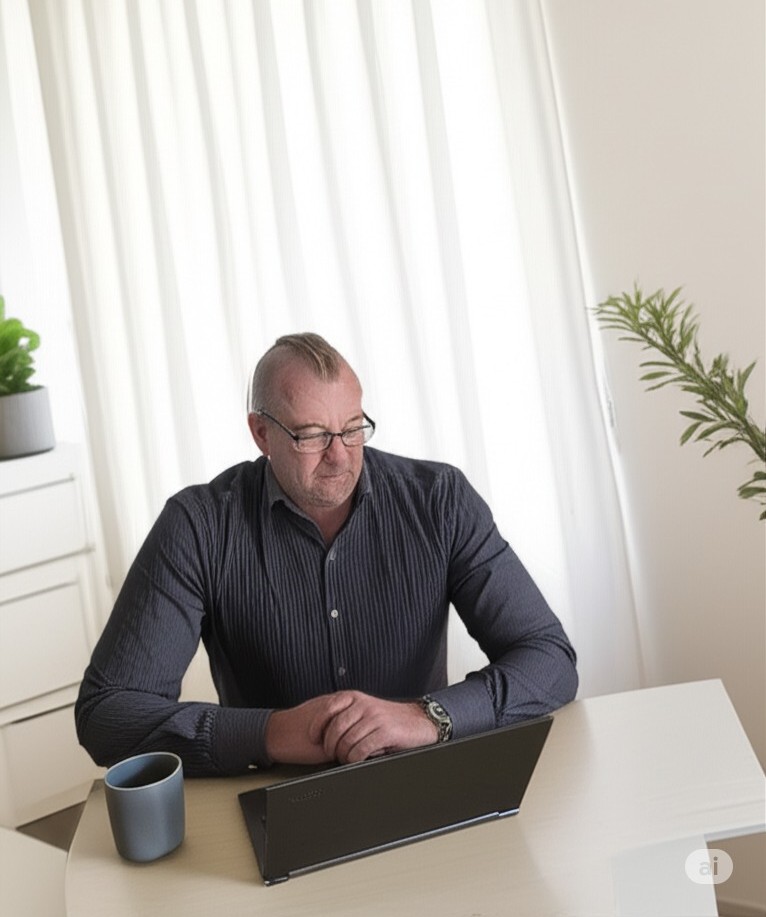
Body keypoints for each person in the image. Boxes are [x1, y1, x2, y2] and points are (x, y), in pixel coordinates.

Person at [76, 333, 577, 777]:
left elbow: (551, 659)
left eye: (353, 428)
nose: (339, 456)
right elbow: (106, 714)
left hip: (422, 776)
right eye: (312, 435)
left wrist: (425, 717)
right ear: (261, 433)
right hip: (274, 790)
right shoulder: (199, 526)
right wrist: (272, 733)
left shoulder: (439, 500)